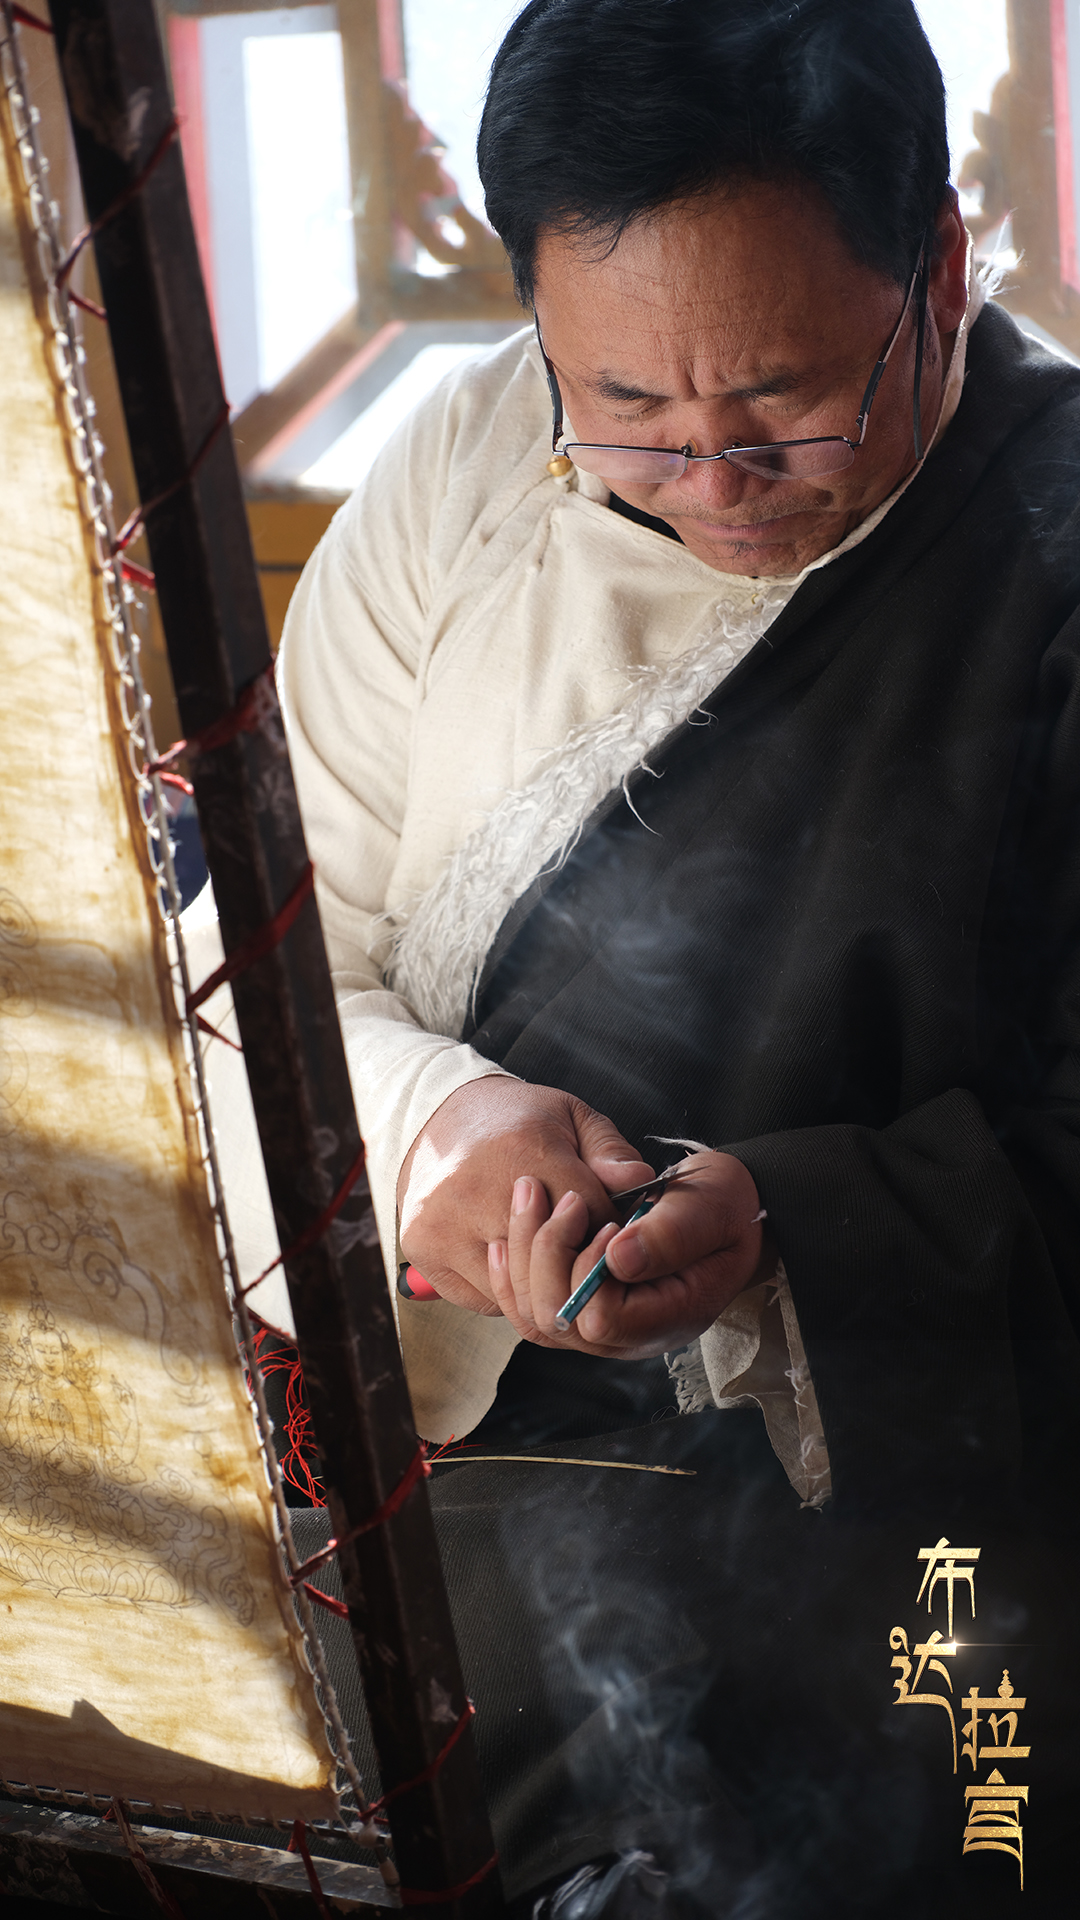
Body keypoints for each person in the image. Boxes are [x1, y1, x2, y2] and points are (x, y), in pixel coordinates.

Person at [265, 0, 1080, 1907]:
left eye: (788, 405)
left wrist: (786, 1234)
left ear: (945, 266)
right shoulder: (469, 467)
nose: (709, 476)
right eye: (623, 407)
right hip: (460, 1484)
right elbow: (270, 959)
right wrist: (439, 1132)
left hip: (927, 1531)